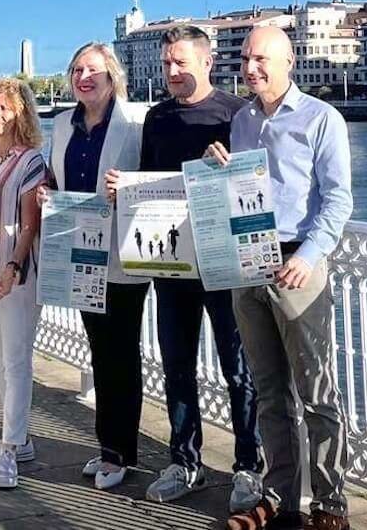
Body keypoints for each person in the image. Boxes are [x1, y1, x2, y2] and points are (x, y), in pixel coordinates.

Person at [106, 25, 263, 511]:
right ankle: (185, 460)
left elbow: (256, 184)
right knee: (176, 365)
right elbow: (150, 185)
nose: (173, 71)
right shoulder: (155, 118)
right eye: (168, 63)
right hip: (171, 262)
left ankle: (248, 466)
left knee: (240, 369)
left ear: (207, 61)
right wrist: (122, 189)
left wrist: (232, 164)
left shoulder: (238, 113)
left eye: (181, 63)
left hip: (223, 263)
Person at [208, 26, 353, 530]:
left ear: (289, 62)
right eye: (245, 59)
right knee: (267, 390)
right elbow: (244, 193)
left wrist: (309, 255)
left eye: (261, 59)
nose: (250, 68)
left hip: (298, 267)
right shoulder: (243, 121)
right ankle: (280, 497)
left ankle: (331, 504)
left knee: (316, 392)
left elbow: (337, 200)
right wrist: (218, 171)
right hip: (249, 263)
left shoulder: (321, 118)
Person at [39, 42, 151, 490]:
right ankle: (108, 444)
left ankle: (121, 452)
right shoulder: (64, 123)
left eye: (93, 70)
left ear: (113, 77)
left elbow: (157, 180)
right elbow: (54, 175)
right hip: (81, 251)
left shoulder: (136, 123)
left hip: (123, 255)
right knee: (100, 352)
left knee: (122, 353)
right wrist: (48, 191)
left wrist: (127, 187)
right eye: (76, 70)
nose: (84, 77)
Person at [0, 79, 47, 490]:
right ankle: (20, 438)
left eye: (4, 108)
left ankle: (10, 448)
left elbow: (30, 222)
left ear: (21, 114)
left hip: (17, 273)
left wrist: (13, 266)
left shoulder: (32, 160)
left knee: (16, 360)